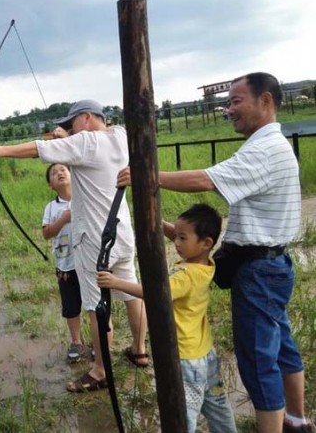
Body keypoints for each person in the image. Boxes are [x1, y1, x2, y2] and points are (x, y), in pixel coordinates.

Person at [118, 73, 312, 433]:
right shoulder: (268, 144)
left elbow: (207, 180)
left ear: (265, 101)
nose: (229, 110)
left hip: (259, 270)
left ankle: (278, 425)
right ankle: (297, 420)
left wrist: (147, 175)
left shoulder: (265, 149)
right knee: (281, 345)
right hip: (271, 265)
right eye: (228, 103)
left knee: (258, 362)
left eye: (236, 101)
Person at [0, 99, 148, 393]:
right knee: (130, 291)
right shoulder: (120, 134)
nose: (71, 129)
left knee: (97, 305)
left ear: (86, 118)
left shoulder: (84, 142)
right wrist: (68, 138)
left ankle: (100, 371)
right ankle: (139, 349)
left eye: (72, 123)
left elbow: (38, 150)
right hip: (122, 233)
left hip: (95, 241)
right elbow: (85, 150)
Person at [98, 204, 237, 433]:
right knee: (217, 404)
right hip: (205, 353)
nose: (177, 242)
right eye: (176, 236)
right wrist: (157, 222)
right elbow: (181, 234)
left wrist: (116, 283)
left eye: (182, 238)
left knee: (184, 414)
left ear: (206, 243)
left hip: (185, 358)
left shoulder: (185, 276)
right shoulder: (206, 264)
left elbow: (156, 293)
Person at [42, 163, 88, 363]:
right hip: (65, 266)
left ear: (72, 174)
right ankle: (76, 341)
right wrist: (63, 219)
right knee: (71, 306)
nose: (59, 172)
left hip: (88, 261)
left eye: (63, 169)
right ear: (51, 185)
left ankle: (101, 340)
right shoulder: (51, 207)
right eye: (54, 172)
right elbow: (46, 233)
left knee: (97, 302)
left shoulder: (84, 198)